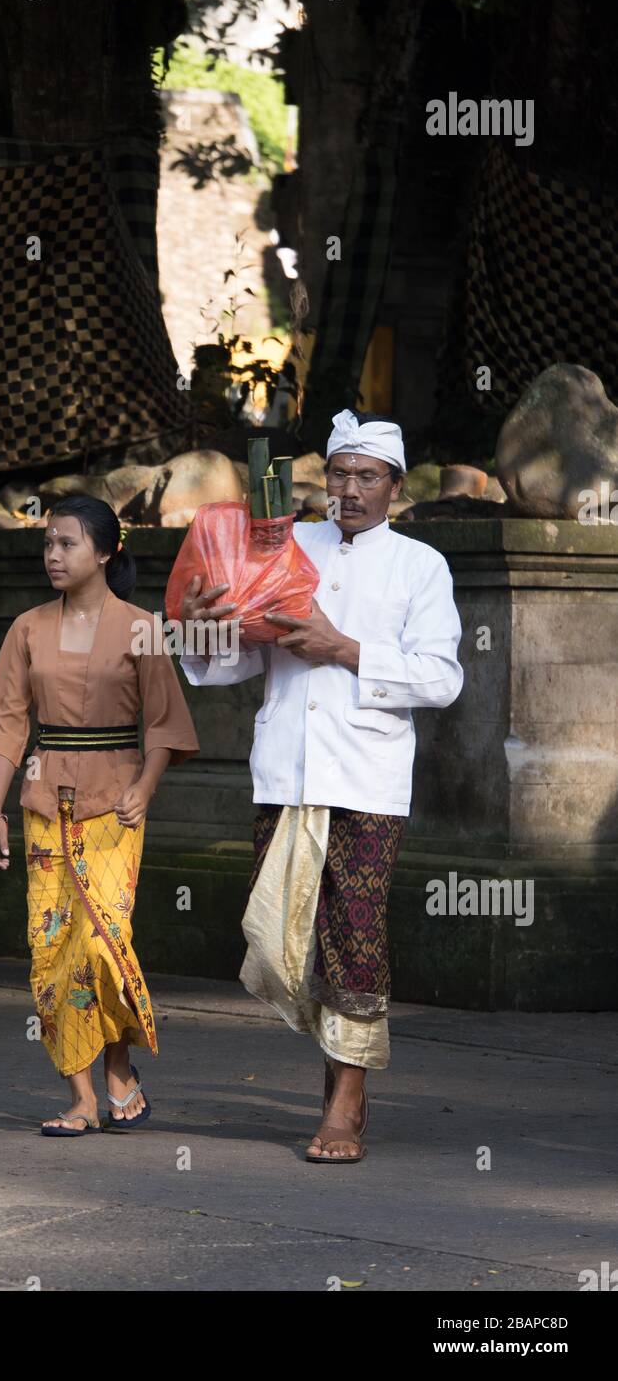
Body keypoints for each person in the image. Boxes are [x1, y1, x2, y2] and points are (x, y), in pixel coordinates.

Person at [179, 409, 463, 1164]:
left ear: (396, 487)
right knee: (277, 941)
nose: (351, 489)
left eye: (368, 476)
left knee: (354, 933)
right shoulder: (286, 545)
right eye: (339, 474)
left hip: (368, 776)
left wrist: (344, 649)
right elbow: (231, 659)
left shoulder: (419, 566)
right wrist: (203, 627)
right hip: (286, 769)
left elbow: (441, 678)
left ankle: (346, 1098)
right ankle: (339, 1059)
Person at [0, 495, 198, 1136]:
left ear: (104, 552)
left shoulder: (140, 628)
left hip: (115, 804)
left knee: (101, 943)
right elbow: (8, 725)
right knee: (50, 949)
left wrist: (148, 786)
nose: (53, 555)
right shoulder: (27, 628)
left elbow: (163, 722)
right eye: (47, 544)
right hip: (45, 802)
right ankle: (81, 1098)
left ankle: (120, 1069)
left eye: (67, 544)